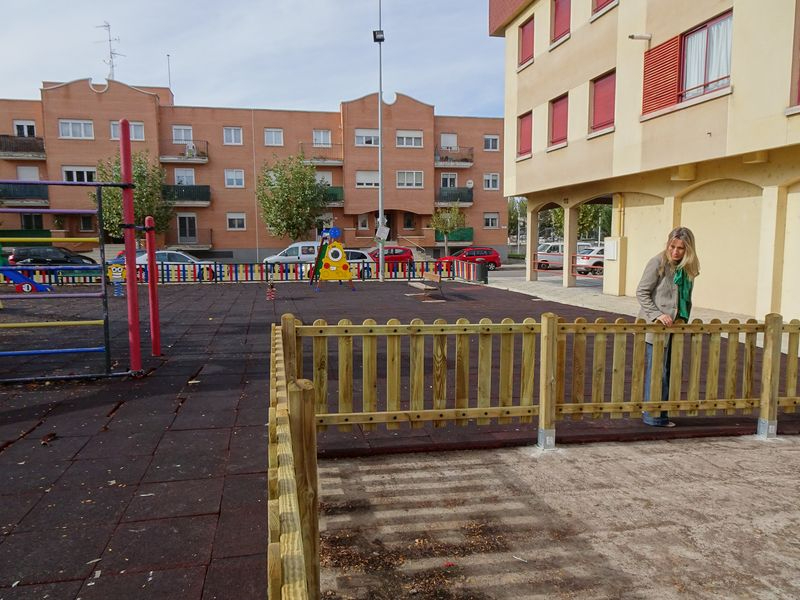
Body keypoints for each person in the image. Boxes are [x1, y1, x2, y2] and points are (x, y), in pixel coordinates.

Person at [636, 227, 700, 427]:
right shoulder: (658, 262)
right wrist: (657, 315)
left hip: (676, 328)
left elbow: (685, 298)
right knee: (658, 372)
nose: (675, 252)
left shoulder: (687, 267)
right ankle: (653, 417)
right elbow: (642, 292)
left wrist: (683, 319)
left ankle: (660, 414)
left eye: (681, 248)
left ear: (688, 249)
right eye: (672, 246)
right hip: (657, 327)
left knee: (669, 371)